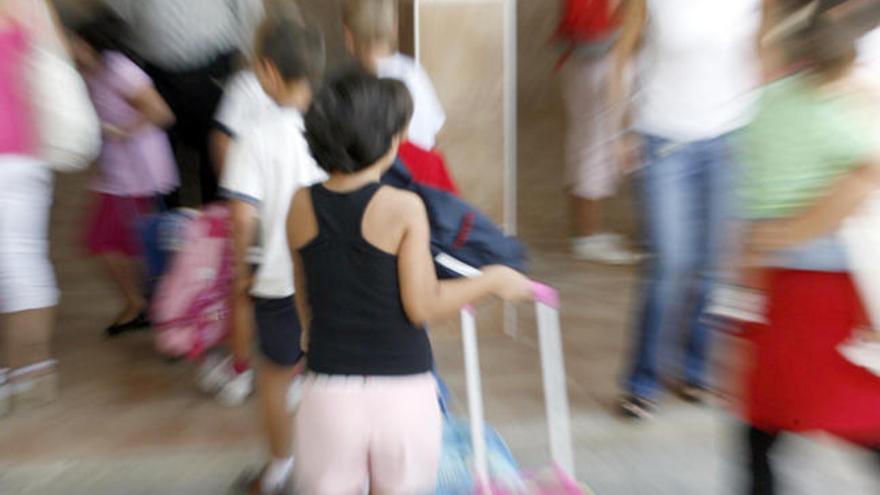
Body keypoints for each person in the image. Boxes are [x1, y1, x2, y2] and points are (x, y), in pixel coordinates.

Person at [287, 70, 532, 494]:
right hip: (402, 394)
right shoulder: (402, 207)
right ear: (385, 141)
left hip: (327, 389)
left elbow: (305, 302)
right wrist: (493, 280)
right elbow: (423, 304)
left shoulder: (299, 203)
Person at [736, 1, 880, 493]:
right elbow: (869, 172)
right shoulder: (838, 115)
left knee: (767, 420)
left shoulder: (766, 105)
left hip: (782, 283)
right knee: (853, 411)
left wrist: (766, 247)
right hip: (835, 284)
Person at [611, 0, 764, 418]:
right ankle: (642, 381)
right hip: (663, 140)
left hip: (728, 139)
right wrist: (622, 128)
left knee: (713, 267)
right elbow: (621, 54)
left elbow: (762, 54)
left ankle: (696, 371)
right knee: (669, 264)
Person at [218, 13, 326, 495]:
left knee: (276, 379)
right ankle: (330, 468)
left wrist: (241, 272)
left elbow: (243, 217)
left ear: (266, 71)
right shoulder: (329, 131)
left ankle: (280, 470)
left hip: (278, 283)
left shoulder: (255, 138)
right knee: (327, 375)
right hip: (327, 282)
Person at [0, 0, 99, 413]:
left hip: (6, 155)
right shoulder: (32, 5)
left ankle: (21, 373)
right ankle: (32, 371)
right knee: (24, 263)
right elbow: (61, 60)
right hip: (28, 152)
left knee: (16, 267)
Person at [69, 8, 179, 337]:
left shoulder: (120, 70)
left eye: (78, 43)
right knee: (115, 241)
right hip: (117, 174)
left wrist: (121, 131)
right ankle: (144, 303)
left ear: (93, 44)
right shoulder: (94, 71)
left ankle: (149, 305)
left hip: (137, 174)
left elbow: (161, 112)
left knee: (119, 241)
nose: (73, 48)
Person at [108, 0, 266, 205]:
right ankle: (168, 228)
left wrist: (252, 62)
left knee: (216, 153)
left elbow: (249, 7)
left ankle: (216, 225)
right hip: (154, 73)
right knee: (161, 160)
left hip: (212, 69)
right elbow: (118, 10)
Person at [340, 0, 459, 194]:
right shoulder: (414, 72)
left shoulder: (354, 89)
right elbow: (438, 132)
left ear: (348, 37)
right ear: (394, 28)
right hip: (425, 185)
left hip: (383, 191)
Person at [557, 0, 643, 264]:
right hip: (606, 56)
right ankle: (588, 236)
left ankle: (585, 233)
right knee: (599, 147)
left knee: (584, 142)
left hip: (580, 54)